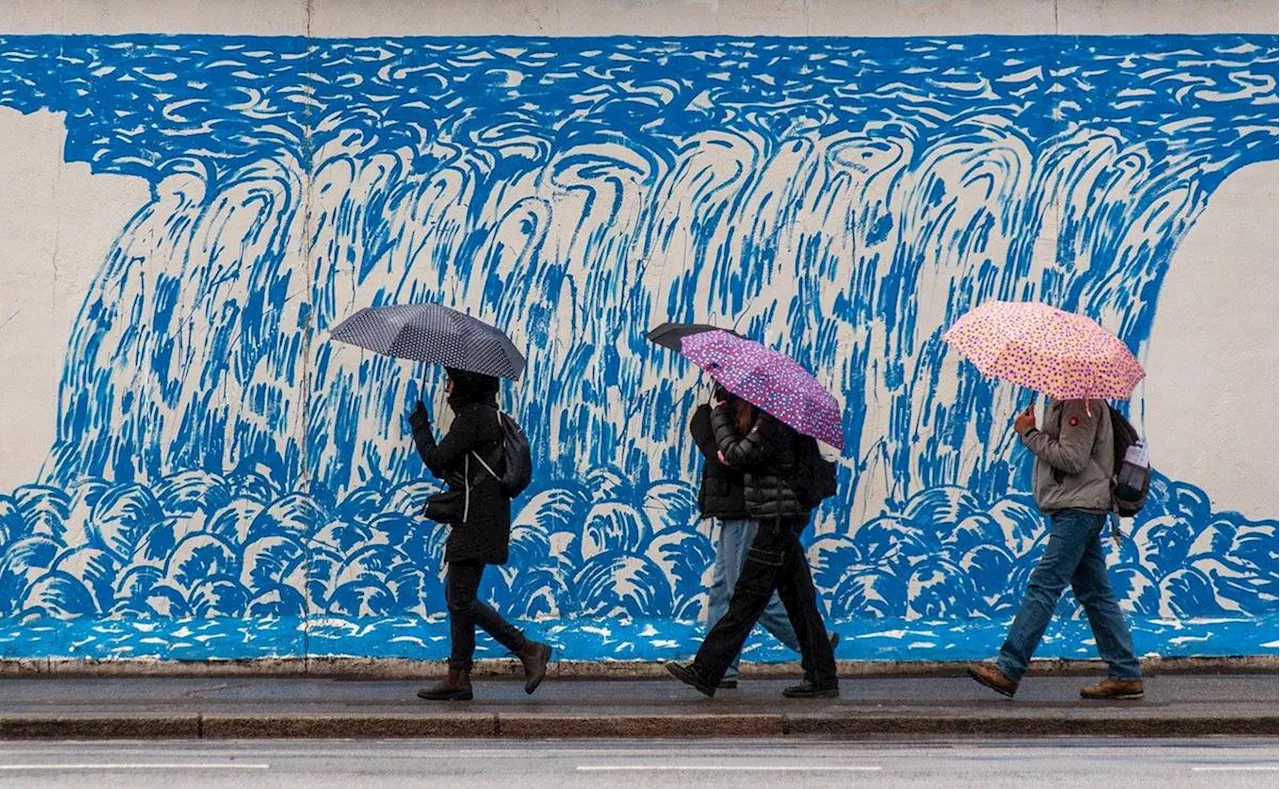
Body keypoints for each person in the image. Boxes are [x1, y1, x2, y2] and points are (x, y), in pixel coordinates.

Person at [968, 399, 1144, 700]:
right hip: (1078, 507)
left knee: (1044, 585)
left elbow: (1072, 459)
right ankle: (1125, 673)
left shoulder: (1080, 405)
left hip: (1078, 509)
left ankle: (1008, 668)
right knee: (1095, 594)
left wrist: (1029, 434)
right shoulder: (1067, 403)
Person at [667, 395, 839, 699]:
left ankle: (707, 670)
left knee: (746, 597)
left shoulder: (773, 421)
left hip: (775, 519)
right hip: (782, 517)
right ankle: (822, 674)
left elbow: (736, 454)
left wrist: (713, 419)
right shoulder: (780, 418)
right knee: (798, 599)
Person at [409, 367, 552, 701]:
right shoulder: (488, 417)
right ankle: (458, 676)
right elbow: (456, 466)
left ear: (468, 385)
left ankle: (528, 649)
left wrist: (420, 424)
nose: (447, 388)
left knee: (460, 598)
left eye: (452, 381)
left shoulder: (473, 418)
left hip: (476, 517)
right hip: (485, 514)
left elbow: (436, 458)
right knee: (457, 597)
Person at [692, 386, 818, 689]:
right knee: (723, 590)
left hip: (746, 511)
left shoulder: (759, 418)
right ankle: (724, 670)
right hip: (732, 509)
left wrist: (708, 425)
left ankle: (814, 646)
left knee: (744, 591)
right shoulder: (739, 413)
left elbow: (731, 458)